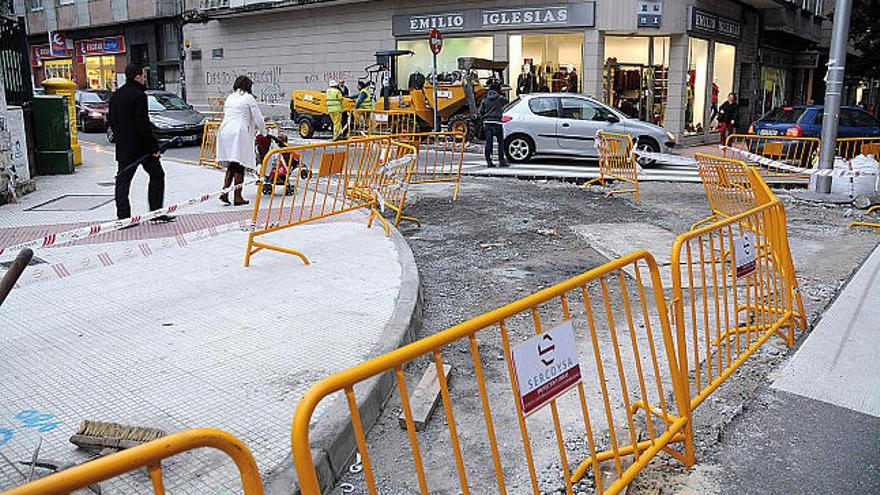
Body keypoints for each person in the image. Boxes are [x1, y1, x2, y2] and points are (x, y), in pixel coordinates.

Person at [109, 64, 172, 222]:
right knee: (157, 175)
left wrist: (120, 139)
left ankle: (123, 217)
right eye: (143, 76)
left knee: (123, 181)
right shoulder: (138, 95)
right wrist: (154, 147)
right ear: (137, 77)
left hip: (123, 147)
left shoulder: (116, 96)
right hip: (141, 148)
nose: (145, 79)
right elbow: (143, 124)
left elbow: (111, 121)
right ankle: (156, 213)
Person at [216, 75, 267, 206]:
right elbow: (258, 118)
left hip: (225, 131)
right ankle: (237, 197)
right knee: (240, 164)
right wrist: (264, 133)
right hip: (239, 132)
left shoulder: (230, 97)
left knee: (232, 163)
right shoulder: (248, 98)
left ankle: (225, 192)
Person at [478, 80, 508, 168]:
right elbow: (506, 101)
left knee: (488, 143)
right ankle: (501, 161)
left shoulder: (485, 99)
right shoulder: (500, 98)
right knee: (500, 143)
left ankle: (489, 161)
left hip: (487, 123)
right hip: (498, 123)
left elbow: (481, 111)